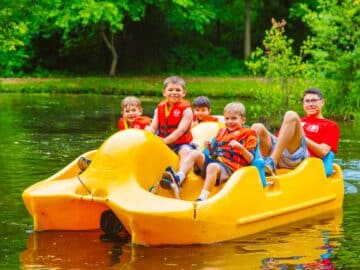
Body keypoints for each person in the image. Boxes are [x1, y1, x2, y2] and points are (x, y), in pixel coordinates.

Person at [160, 102, 258, 201]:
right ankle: (178, 179)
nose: (230, 122)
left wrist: (240, 147)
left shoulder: (249, 134)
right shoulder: (221, 132)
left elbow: (251, 159)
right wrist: (211, 148)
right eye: (227, 119)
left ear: (243, 120)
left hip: (231, 170)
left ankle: (202, 198)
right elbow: (214, 156)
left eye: (234, 118)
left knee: (212, 166)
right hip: (218, 165)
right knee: (194, 153)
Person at [251, 88, 340, 174]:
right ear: (303, 104)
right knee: (257, 127)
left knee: (291, 115)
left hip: (301, 159)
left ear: (322, 102)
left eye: (314, 100)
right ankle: (251, 166)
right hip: (282, 155)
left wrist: (302, 137)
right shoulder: (297, 121)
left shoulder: (330, 125)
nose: (310, 104)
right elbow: (279, 141)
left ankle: (272, 162)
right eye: (307, 101)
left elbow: (323, 152)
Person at [77, 96, 151, 172]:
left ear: (140, 111)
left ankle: (100, 167)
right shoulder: (122, 123)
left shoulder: (146, 124)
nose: (131, 113)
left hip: (141, 155)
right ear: (122, 113)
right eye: (127, 111)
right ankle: (95, 165)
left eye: (134, 110)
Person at [147, 76, 195, 172]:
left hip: (180, 144)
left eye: (178, 90)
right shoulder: (159, 109)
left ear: (183, 93)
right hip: (162, 141)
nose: (174, 93)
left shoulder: (187, 110)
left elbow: (180, 131)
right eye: (170, 90)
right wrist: (148, 138)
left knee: (186, 152)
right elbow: (153, 128)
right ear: (164, 92)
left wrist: (165, 141)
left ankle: (179, 178)